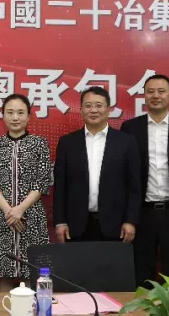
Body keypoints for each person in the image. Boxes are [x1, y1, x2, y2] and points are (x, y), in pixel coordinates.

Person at [121, 73, 169, 284]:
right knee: (141, 274)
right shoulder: (130, 128)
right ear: (144, 96)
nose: (156, 96)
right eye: (150, 91)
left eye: (161, 91)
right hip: (142, 214)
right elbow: (126, 175)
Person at [53, 86, 141, 244]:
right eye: (88, 105)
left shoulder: (126, 141)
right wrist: (60, 221)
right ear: (81, 110)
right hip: (75, 226)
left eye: (99, 105)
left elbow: (134, 186)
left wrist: (131, 221)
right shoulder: (67, 143)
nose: (93, 110)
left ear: (109, 109)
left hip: (116, 225)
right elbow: (60, 186)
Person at [0, 93, 52, 292]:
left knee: (32, 274)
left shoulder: (39, 144)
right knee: (4, 274)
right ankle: (3, 312)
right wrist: (9, 211)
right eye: (10, 112)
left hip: (31, 217)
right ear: (3, 116)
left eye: (20, 113)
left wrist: (20, 209)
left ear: (29, 116)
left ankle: (33, 311)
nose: (15, 117)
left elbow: (42, 181)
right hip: (2, 218)